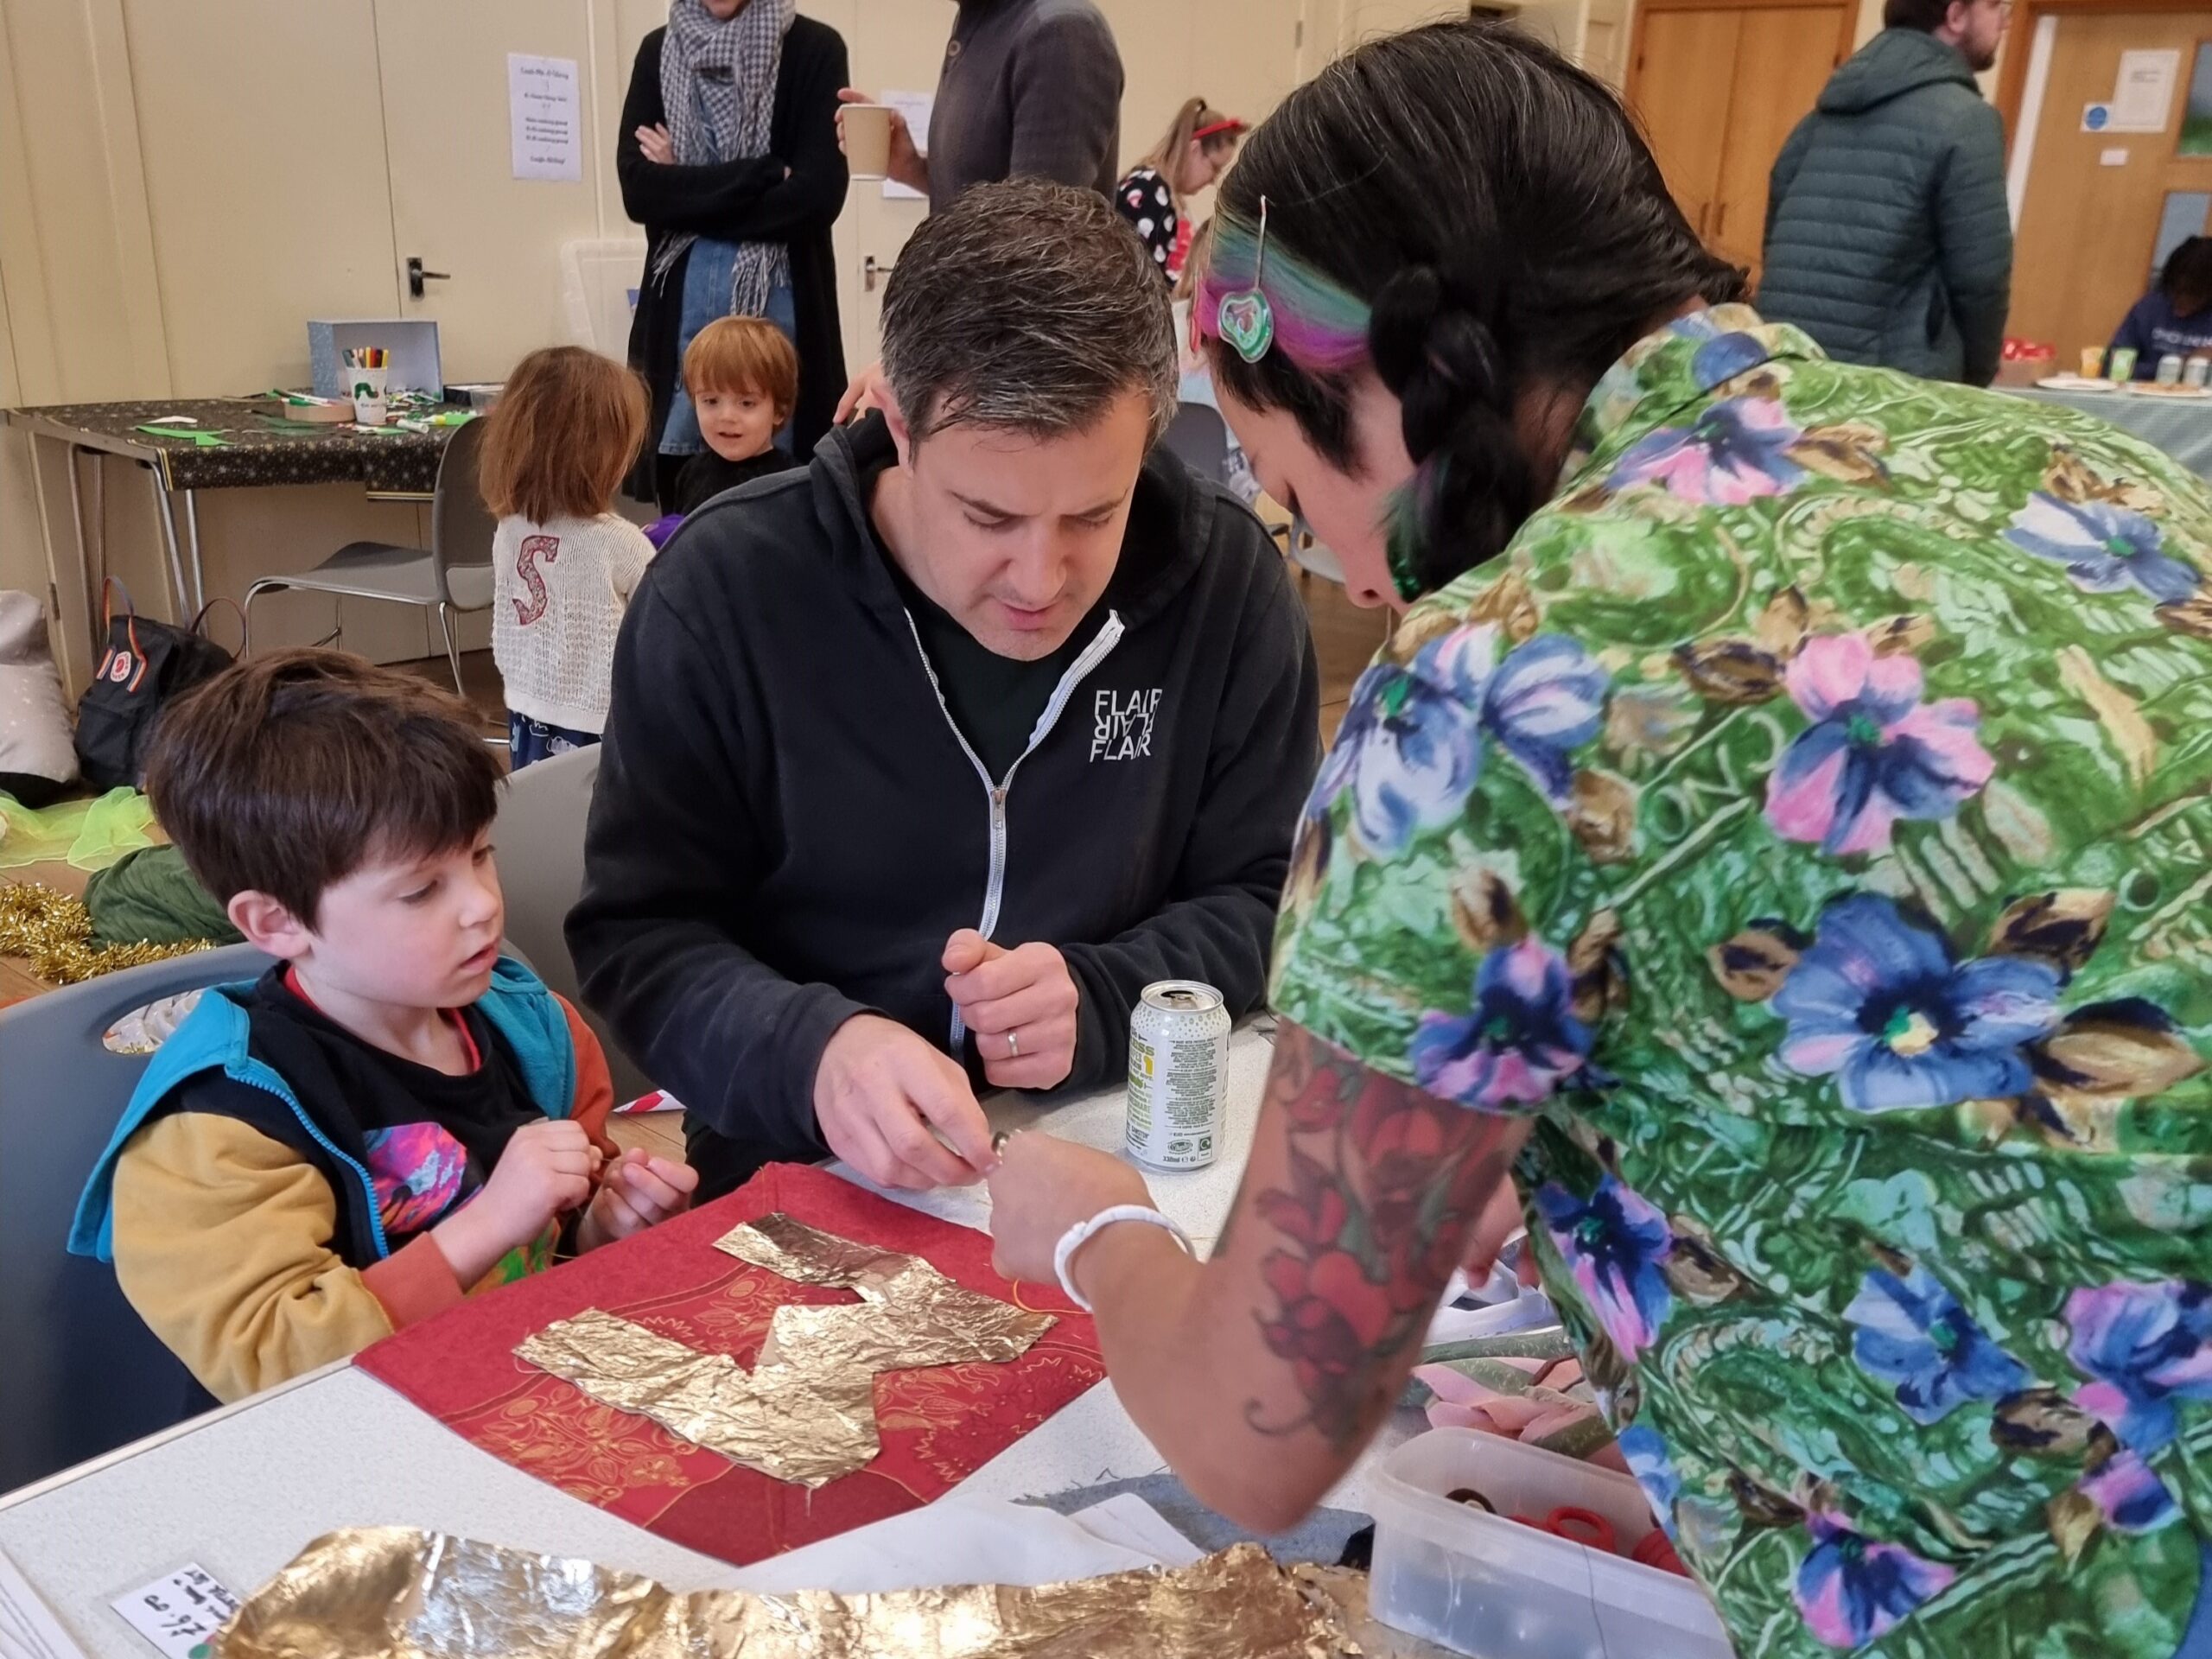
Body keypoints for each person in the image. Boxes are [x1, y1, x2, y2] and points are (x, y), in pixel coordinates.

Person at [986, 22, 2212, 1656]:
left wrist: (1094, 1224)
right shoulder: (2067, 460)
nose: (1350, 574)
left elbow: (1255, 1434)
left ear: (1376, 375)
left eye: (1297, 491)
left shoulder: (1499, 673)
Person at [569, 180, 1319, 1203]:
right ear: (896, 423)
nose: (1038, 580)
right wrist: (817, 1052)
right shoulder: (727, 590)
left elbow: (1272, 895)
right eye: (986, 515)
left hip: (1115, 1146)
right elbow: (639, 940)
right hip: (806, 1175)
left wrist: (1103, 996)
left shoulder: (1223, 585)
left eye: (1095, 517)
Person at [69, 652, 697, 1405]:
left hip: (508, 1402)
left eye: (479, 855)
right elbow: (273, 1365)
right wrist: (490, 1220)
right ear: (277, 921)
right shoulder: (219, 1124)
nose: (481, 905)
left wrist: (605, 1225)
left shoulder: (539, 1035)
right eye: (421, 889)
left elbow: (551, 1254)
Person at [620, 0, 849, 507]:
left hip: (784, 316)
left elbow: (817, 198)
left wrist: (684, 185)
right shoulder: (657, 51)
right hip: (677, 326)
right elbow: (640, 192)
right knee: (681, 510)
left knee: (787, 512)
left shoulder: (816, 49)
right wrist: (764, 174)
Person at [1759, 0, 2012, 386]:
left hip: (1788, 374)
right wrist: (1976, 379)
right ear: (1957, 15)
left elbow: (1774, 242)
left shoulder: (1816, 121)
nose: (2006, 20)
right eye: (1996, 6)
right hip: (1889, 391)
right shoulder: (1968, 121)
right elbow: (1981, 280)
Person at [479, 346, 657, 770]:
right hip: (598, 722)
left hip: (527, 706)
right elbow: (662, 631)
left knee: (540, 806)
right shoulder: (620, 542)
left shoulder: (510, 528)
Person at [836, 0, 1122, 218]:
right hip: (964, 293)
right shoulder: (979, 22)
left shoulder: (1058, 31)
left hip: (1003, 296)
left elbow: (1038, 239)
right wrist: (913, 169)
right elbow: (984, 204)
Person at [671, 315, 801, 514]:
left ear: (779, 410)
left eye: (747, 403)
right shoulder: (692, 473)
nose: (727, 416)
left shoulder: (794, 483)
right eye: (711, 401)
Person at [1115, 99, 1246, 284]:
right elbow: (1138, 283)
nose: (1214, 180)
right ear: (1194, 149)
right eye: (1215, 167)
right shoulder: (1150, 193)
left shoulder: (1157, 192)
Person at [2110, 236, 2212, 377]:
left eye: (2193, 294)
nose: (2181, 301)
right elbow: (2114, 367)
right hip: (2142, 393)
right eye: (2175, 291)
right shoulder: (2150, 308)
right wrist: (2182, 363)